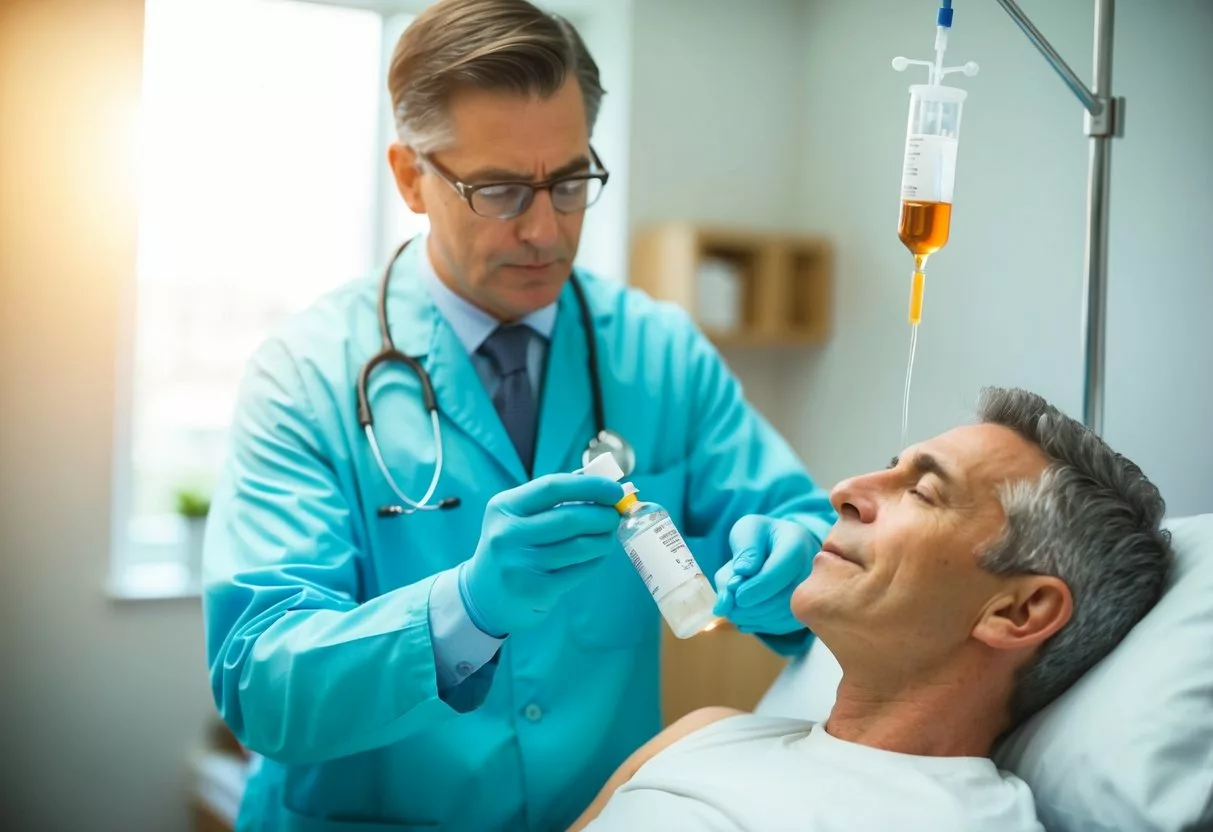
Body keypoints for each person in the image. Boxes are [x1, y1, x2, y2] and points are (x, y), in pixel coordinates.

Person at [201, 0, 836, 829]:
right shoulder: (306, 376)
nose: (545, 229)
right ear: (409, 177)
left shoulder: (659, 355)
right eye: (498, 190)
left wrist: (799, 570)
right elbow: (259, 682)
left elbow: (802, 530)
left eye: (570, 181)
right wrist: (466, 609)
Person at [569, 387, 1173, 832]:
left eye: (922, 491)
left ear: (1018, 611)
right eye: (889, 468)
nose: (842, 493)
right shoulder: (706, 733)